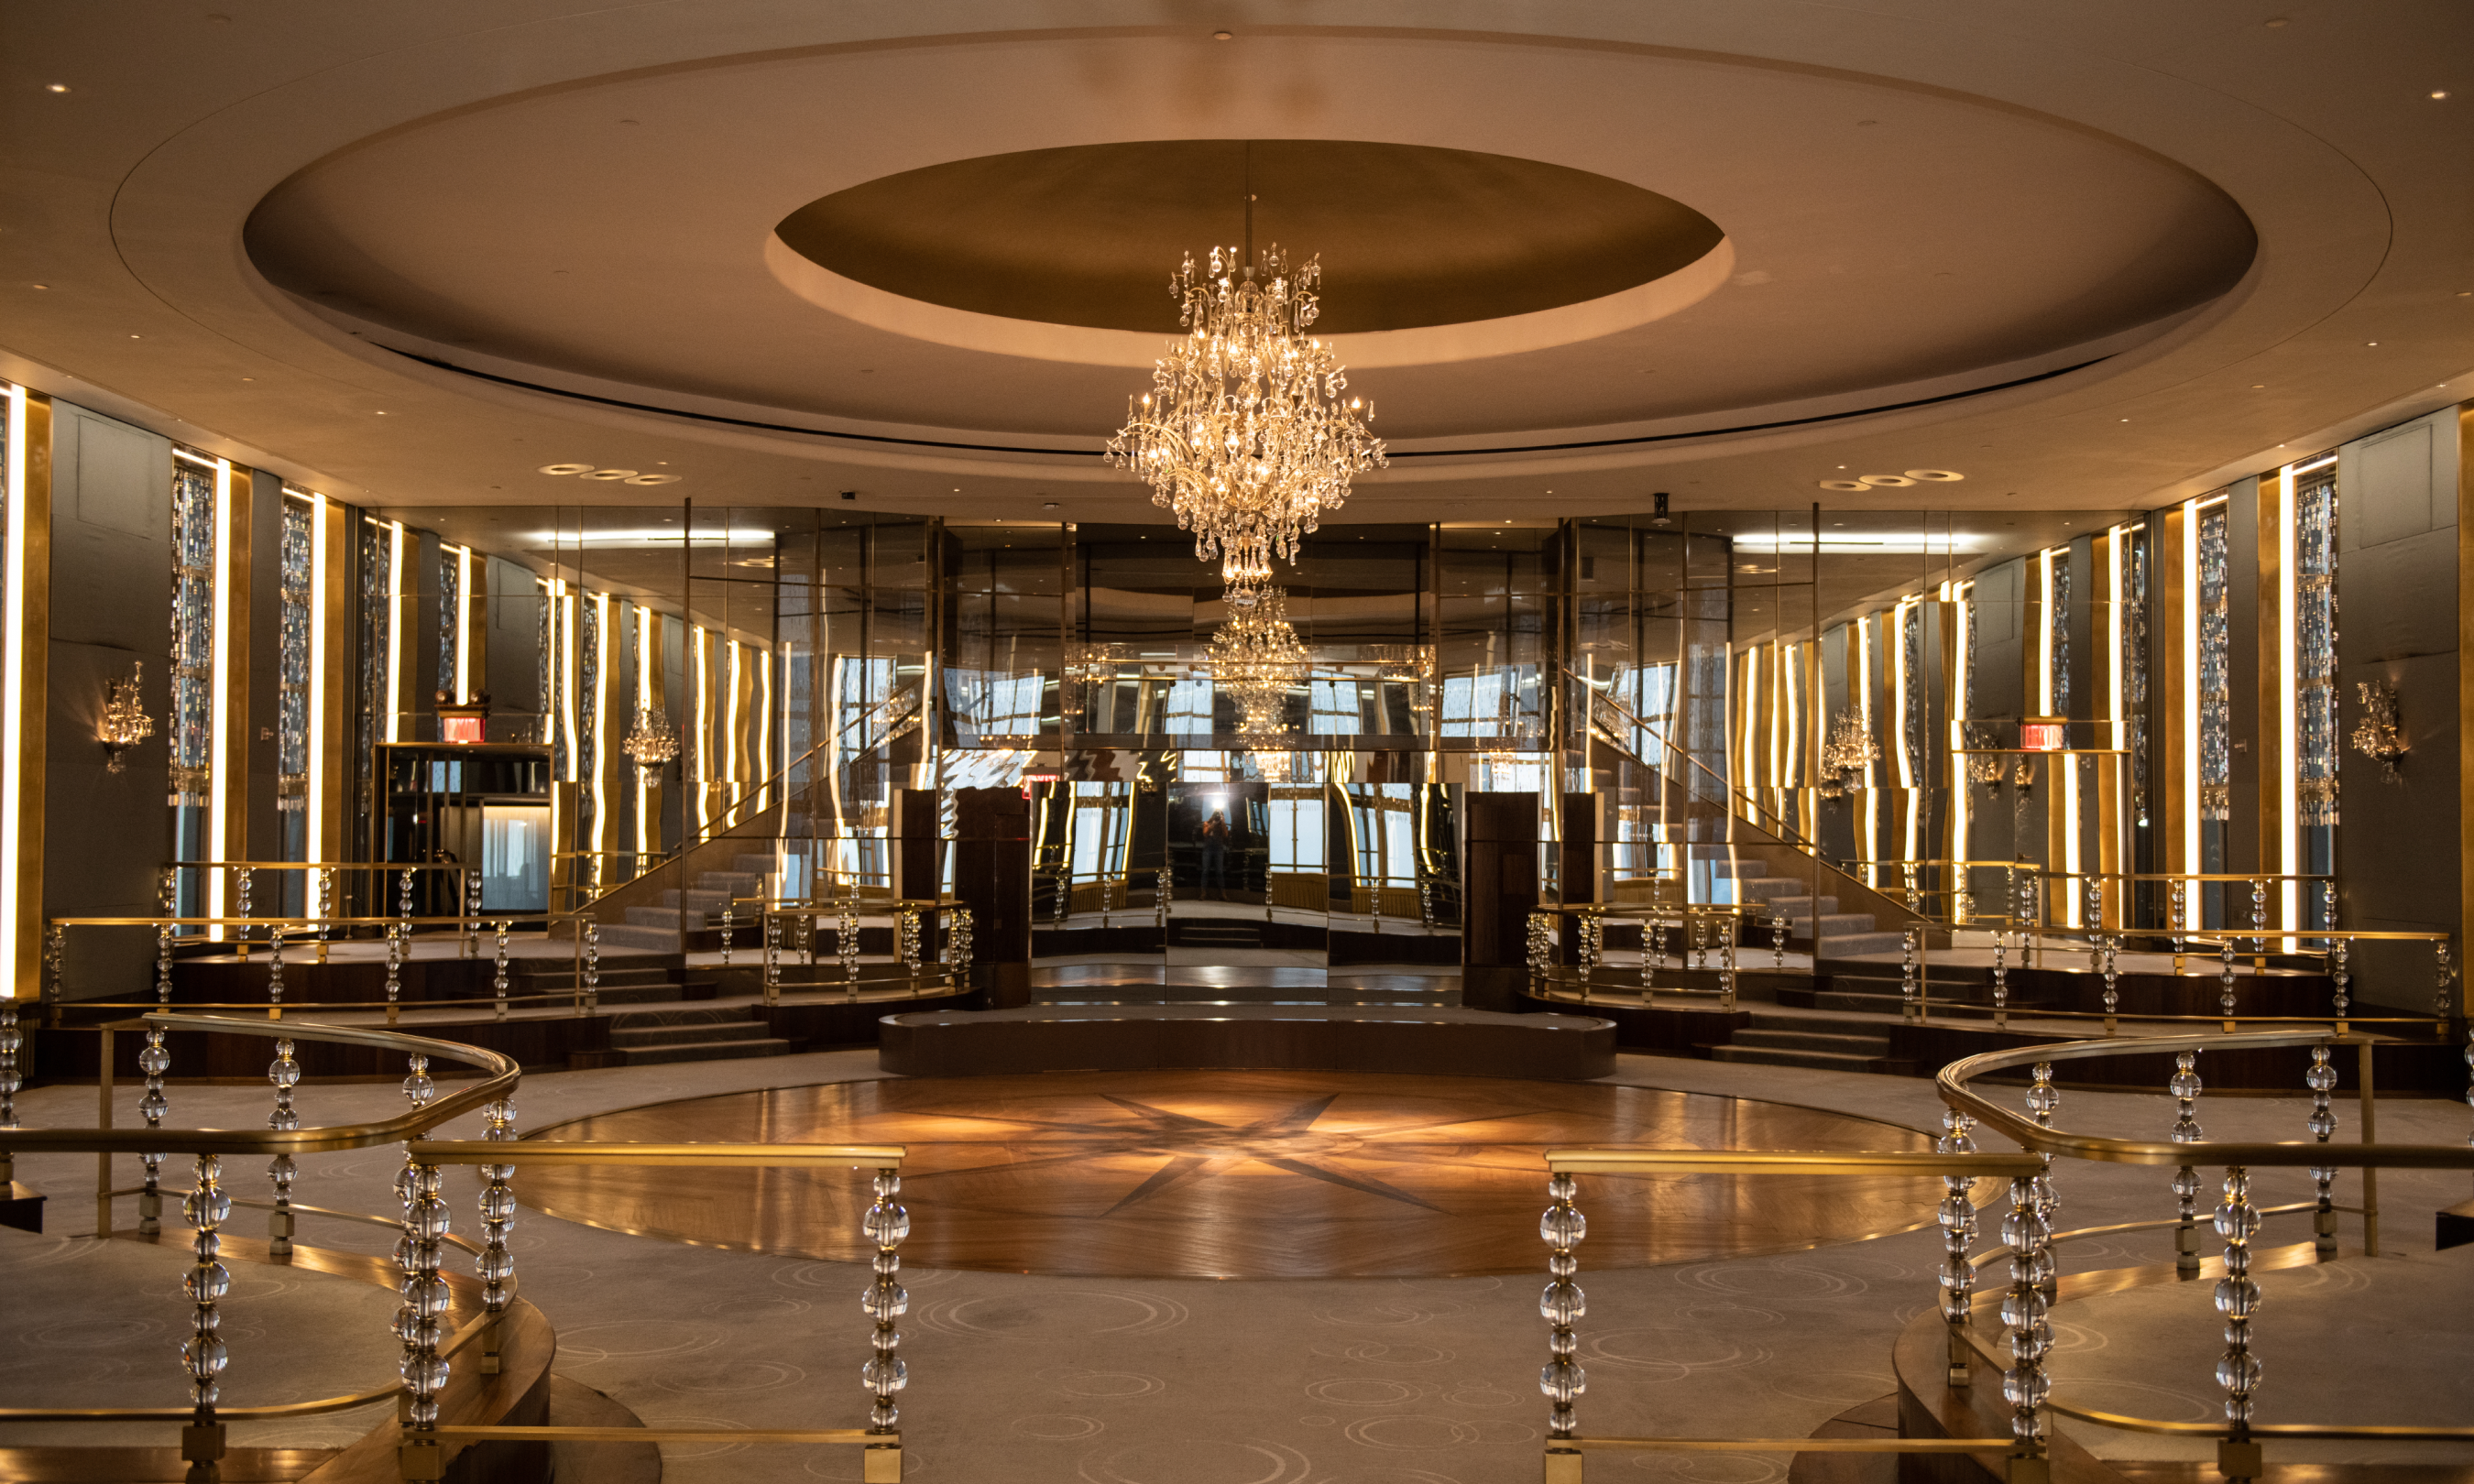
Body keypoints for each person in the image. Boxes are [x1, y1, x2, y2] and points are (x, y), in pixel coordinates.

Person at [1199, 810, 1229, 900]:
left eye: (1219, 815)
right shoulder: (1207, 823)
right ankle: (1203, 893)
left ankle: (1223, 894)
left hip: (1218, 849)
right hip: (1208, 848)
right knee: (1205, 870)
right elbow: (1205, 834)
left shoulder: (1222, 825)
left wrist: (1222, 823)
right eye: (1216, 815)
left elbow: (1226, 835)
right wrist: (1212, 826)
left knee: (1219, 871)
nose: (1217, 817)